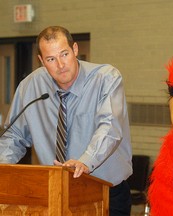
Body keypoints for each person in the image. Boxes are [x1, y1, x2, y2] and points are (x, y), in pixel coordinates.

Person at [0, 26, 132, 215]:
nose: (60, 65)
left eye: (64, 54)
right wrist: (3, 170)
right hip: (54, 193)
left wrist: (85, 161)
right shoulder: (30, 87)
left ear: (75, 50)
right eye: (51, 59)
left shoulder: (106, 79)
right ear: (41, 61)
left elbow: (110, 128)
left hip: (106, 193)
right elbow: (13, 136)